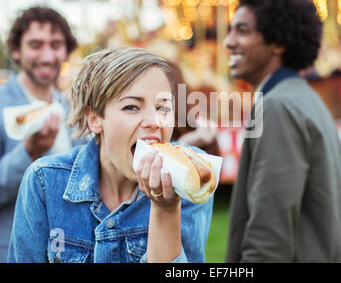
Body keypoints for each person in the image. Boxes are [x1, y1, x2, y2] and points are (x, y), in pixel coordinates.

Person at [8, 47, 213, 263]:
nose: (154, 120)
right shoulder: (44, 181)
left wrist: (166, 210)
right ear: (94, 119)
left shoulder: (189, 177)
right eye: (132, 107)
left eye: (163, 107)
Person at [224, 0, 341, 262]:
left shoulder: (277, 107)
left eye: (242, 31)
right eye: (231, 30)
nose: (228, 41)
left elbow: (269, 235)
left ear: (278, 41)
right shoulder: (304, 98)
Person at [0, 6, 82, 262]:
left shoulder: (74, 110)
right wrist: (27, 153)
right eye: (36, 45)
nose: (47, 56)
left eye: (56, 45)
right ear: (16, 50)